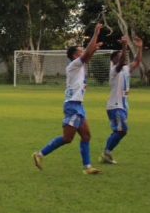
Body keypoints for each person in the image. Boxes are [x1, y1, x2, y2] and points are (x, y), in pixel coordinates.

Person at [32, 22, 104, 175]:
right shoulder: (73, 66)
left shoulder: (80, 65)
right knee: (67, 138)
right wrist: (96, 33)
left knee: (86, 136)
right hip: (72, 106)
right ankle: (39, 154)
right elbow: (86, 55)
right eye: (80, 50)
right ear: (74, 55)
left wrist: (94, 48)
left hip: (78, 106)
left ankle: (88, 167)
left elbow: (87, 55)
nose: (83, 51)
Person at [100, 36, 143, 165]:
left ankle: (107, 153)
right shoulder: (114, 70)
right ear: (113, 60)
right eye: (118, 56)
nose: (122, 57)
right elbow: (123, 60)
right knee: (122, 130)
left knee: (118, 131)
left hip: (122, 106)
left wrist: (140, 47)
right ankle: (107, 152)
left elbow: (138, 61)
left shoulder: (125, 69)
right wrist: (124, 46)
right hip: (115, 106)